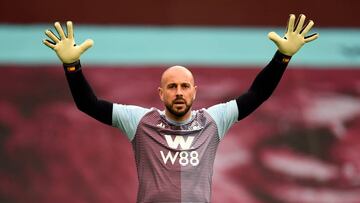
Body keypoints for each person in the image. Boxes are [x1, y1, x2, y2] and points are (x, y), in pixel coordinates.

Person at [43, 14, 318, 203]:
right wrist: (72, 66)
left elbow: (258, 93)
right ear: (161, 93)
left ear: (194, 92)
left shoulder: (213, 120)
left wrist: (283, 56)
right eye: (172, 87)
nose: (178, 92)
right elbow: (87, 104)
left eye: (185, 86)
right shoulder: (139, 121)